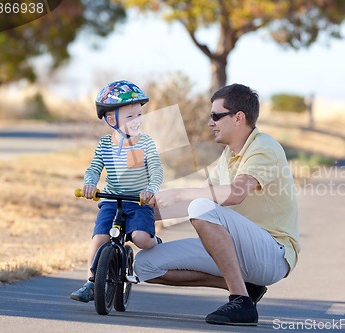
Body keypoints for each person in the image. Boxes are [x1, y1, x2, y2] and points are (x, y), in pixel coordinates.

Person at [135, 83, 300, 326]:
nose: (211, 123)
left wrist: (179, 192)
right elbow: (204, 199)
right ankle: (248, 289)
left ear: (238, 118)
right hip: (233, 246)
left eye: (216, 116)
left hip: (272, 254)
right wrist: (139, 214)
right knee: (145, 265)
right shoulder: (228, 155)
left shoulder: (264, 147)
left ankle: (241, 302)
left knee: (201, 206)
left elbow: (235, 194)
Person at [70, 80, 163, 303]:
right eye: (130, 117)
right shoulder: (104, 144)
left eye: (139, 115)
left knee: (141, 238)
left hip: (138, 201)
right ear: (111, 120)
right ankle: (91, 283)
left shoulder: (146, 143)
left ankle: (154, 241)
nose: (137, 120)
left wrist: (150, 190)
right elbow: (94, 168)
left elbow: (156, 170)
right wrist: (90, 184)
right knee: (99, 238)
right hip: (111, 200)